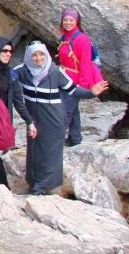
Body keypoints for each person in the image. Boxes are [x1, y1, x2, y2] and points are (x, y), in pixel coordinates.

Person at [17, 41, 108, 195]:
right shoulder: (23, 72)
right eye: (34, 55)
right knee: (34, 153)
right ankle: (33, 182)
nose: (38, 58)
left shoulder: (55, 72)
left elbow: (73, 90)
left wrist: (91, 92)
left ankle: (41, 188)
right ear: (28, 57)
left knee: (50, 154)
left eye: (41, 54)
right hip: (34, 121)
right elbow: (6, 78)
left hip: (54, 121)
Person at [0, 37, 35, 188]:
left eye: (10, 51)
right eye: (4, 51)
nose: (8, 54)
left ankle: (2, 188)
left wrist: (29, 121)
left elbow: (18, 101)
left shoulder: (11, 75)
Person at [57, 8, 105, 146]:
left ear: (77, 21)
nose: (68, 22)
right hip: (64, 77)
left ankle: (57, 140)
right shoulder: (65, 37)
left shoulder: (81, 39)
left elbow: (84, 63)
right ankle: (75, 138)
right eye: (65, 20)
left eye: (71, 20)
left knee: (66, 111)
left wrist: (82, 86)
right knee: (73, 110)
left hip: (75, 80)